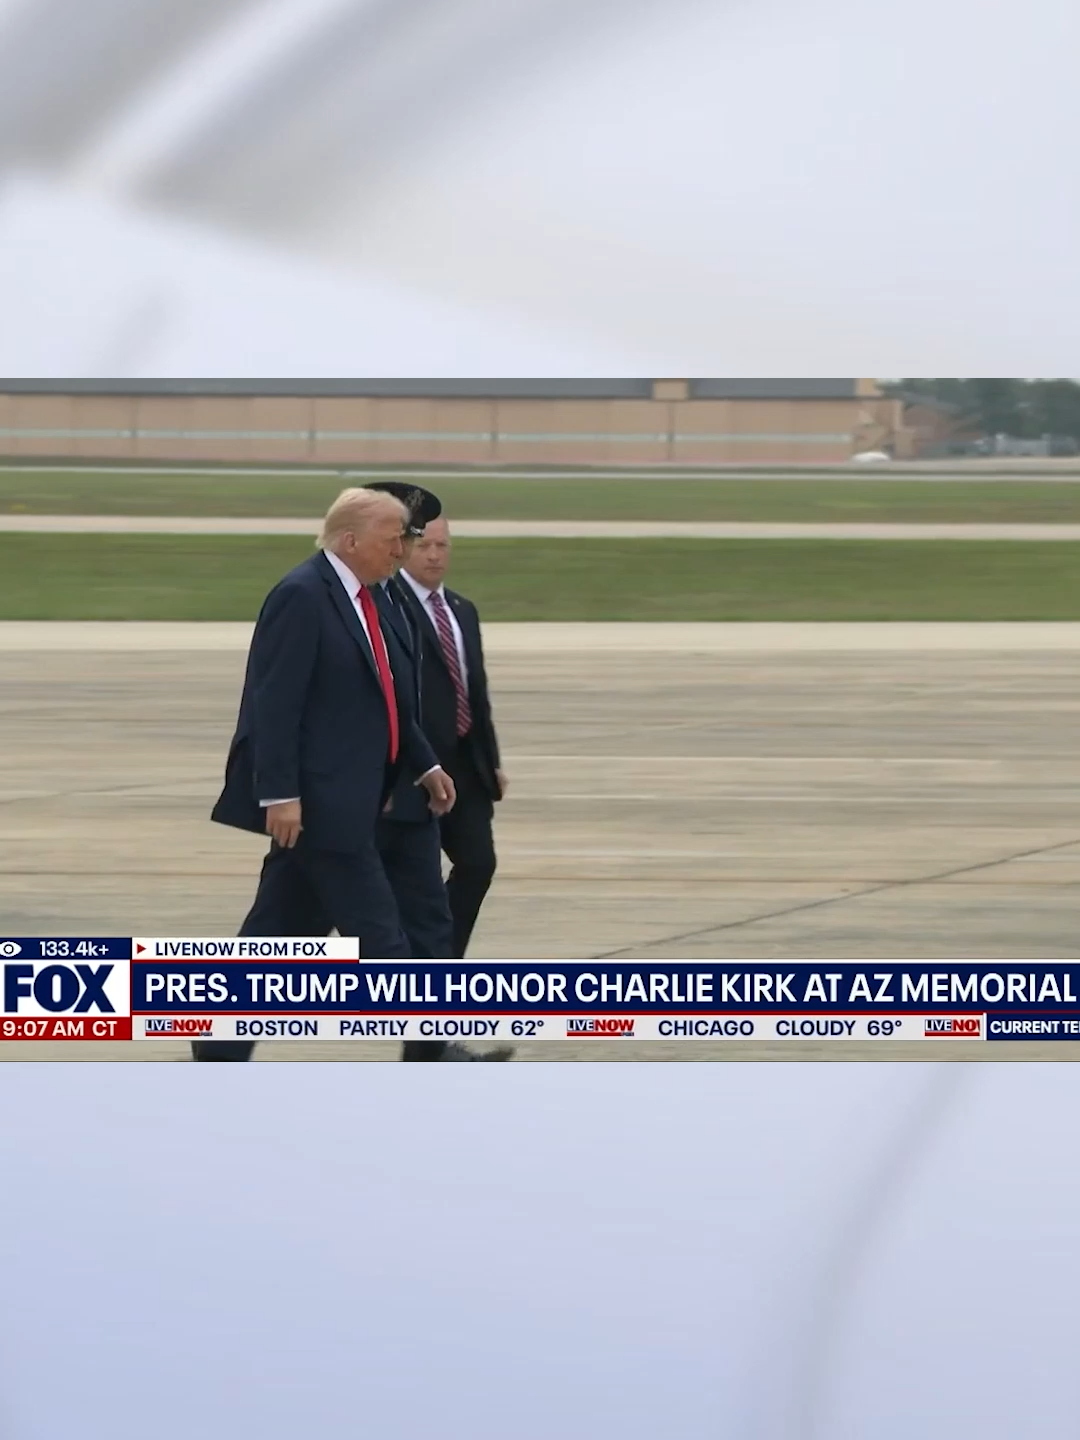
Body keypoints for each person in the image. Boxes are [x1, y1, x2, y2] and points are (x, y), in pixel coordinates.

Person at [192, 486, 455, 1061]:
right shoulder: (302, 595)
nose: (404, 550)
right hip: (321, 803)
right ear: (351, 539)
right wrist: (280, 793)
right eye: (395, 539)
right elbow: (275, 703)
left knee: (277, 934)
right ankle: (435, 1062)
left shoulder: (368, 596)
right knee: (383, 940)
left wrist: (423, 761)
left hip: (358, 796)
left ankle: (217, 1046)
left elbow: (384, 697)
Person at [398, 514, 506, 958]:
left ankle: (438, 960)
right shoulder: (389, 607)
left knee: (479, 864)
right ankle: (424, 971)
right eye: (425, 546)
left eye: (443, 546)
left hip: (465, 763)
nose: (435, 555)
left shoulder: (462, 610)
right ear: (402, 547)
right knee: (411, 884)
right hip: (414, 766)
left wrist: (491, 759)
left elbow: (474, 691)